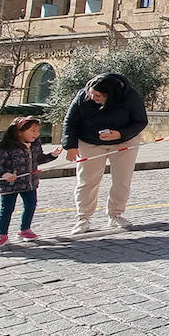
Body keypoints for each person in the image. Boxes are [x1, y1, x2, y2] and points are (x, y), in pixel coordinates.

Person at [63, 72, 148, 234]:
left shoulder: (130, 96)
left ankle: (115, 215)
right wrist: (70, 146)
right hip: (89, 141)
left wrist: (120, 134)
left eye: (99, 96)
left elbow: (141, 121)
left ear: (111, 95)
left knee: (122, 180)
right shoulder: (83, 95)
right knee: (87, 180)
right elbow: (70, 120)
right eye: (92, 94)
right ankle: (83, 218)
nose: (94, 97)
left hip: (124, 142)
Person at [0, 116, 62, 246]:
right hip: (9, 185)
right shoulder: (6, 146)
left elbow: (39, 159)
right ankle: (2, 234)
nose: (37, 134)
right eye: (33, 130)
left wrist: (53, 155)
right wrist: (4, 174)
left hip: (29, 183)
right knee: (7, 209)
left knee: (30, 205)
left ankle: (25, 229)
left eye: (38, 131)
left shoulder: (35, 144)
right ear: (20, 131)